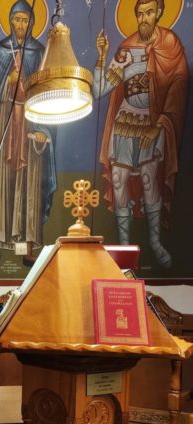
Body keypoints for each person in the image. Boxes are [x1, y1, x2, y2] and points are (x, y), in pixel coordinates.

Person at [93, 0, 188, 269]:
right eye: (140, 14)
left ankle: (155, 243)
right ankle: (123, 249)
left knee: (149, 181)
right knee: (119, 180)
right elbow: (99, 90)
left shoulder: (170, 44)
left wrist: (159, 125)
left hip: (152, 123)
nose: (143, 18)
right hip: (125, 122)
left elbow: (178, 86)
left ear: (159, 13)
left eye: (149, 13)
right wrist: (102, 57)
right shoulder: (126, 50)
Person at [0, 0, 56, 272]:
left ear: (32, 23)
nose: (20, 25)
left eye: (25, 20)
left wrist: (42, 131)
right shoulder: (3, 50)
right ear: (10, 22)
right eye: (16, 20)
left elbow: (48, 94)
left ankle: (28, 250)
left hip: (31, 126)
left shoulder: (39, 51)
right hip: (4, 124)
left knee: (29, 187)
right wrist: (7, 82)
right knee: (1, 184)